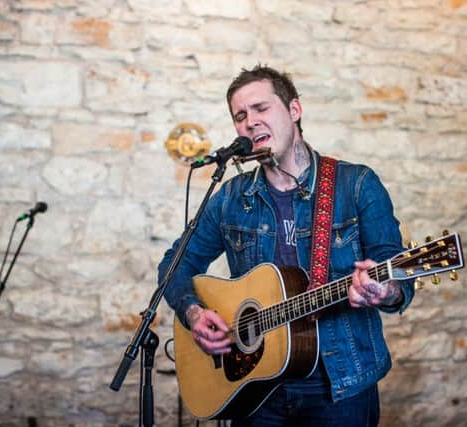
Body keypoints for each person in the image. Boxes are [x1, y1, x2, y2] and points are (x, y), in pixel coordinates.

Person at [159, 65, 415, 426]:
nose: (250, 122)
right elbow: (175, 265)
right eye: (240, 116)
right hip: (254, 387)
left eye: (261, 108)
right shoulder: (231, 197)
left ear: (294, 110)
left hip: (340, 385)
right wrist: (194, 314)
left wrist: (384, 290)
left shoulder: (355, 185)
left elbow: (398, 271)